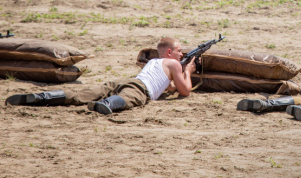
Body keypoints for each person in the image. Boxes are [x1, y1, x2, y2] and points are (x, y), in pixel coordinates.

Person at [5, 37, 196, 115]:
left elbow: (169, 86)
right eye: (179, 51)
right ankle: (107, 104)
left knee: (83, 94)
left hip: (127, 81)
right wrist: (187, 71)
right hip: (140, 88)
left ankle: (44, 97)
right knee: (127, 99)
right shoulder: (173, 64)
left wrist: (176, 80)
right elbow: (185, 91)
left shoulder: (154, 62)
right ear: (169, 52)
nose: (182, 54)